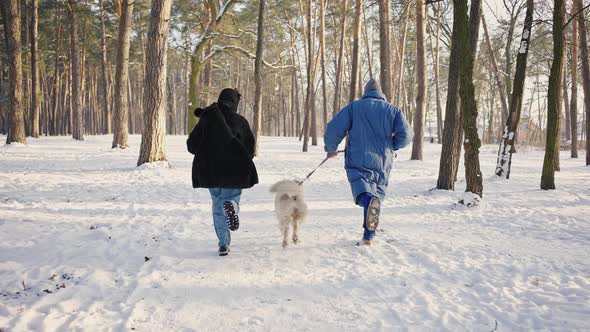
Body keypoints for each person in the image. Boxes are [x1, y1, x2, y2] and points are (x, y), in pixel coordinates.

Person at [324, 79, 412, 245]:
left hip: (358, 156)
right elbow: (406, 134)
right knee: (376, 195)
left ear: (366, 92)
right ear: (381, 94)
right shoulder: (393, 110)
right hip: (383, 160)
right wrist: (393, 146)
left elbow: (334, 128)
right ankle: (368, 237)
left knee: (363, 189)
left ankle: (368, 207)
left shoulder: (354, 107)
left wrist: (331, 148)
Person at [187, 88, 258, 256]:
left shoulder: (206, 119)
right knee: (230, 199)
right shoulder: (240, 121)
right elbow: (250, 148)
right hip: (234, 172)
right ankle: (233, 205)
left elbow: (192, 146)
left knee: (218, 207)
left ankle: (223, 243)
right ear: (235, 103)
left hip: (211, 172)